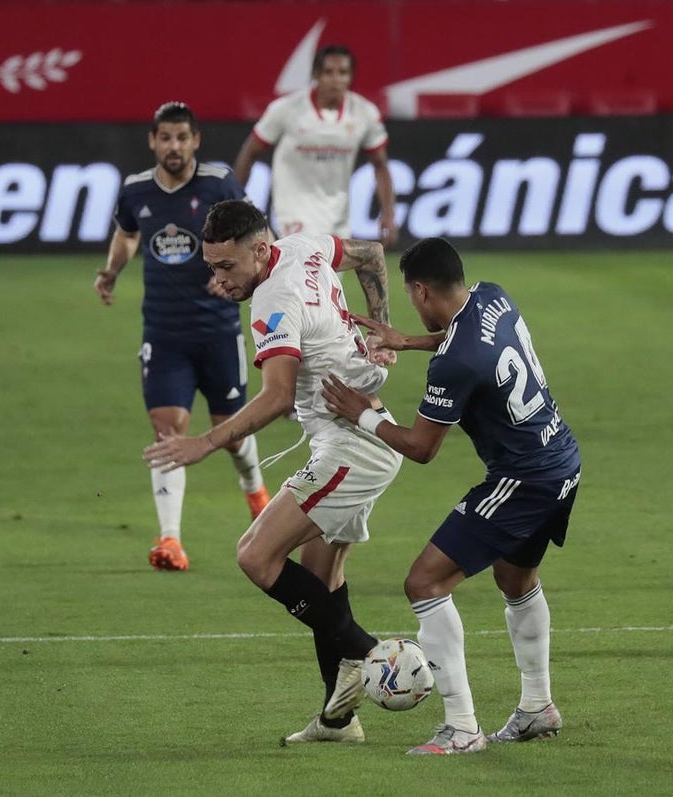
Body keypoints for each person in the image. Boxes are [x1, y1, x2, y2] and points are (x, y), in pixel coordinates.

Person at [143, 199, 402, 744]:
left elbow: (278, 396)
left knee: (255, 555)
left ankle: (374, 653)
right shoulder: (305, 246)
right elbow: (371, 255)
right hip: (361, 428)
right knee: (321, 576)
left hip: (350, 446)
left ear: (260, 250)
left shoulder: (273, 298)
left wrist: (207, 443)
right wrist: (382, 325)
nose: (218, 279)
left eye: (226, 267)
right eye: (211, 266)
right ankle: (339, 719)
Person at [322, 237, 582, 756]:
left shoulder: (454, 364)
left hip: (522, 479)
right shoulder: (494, 296)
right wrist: (406, 341)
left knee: (424, 582)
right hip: (562, 459)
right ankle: (537, 708)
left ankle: (461, 728)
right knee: (515, 577)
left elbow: (420, 448)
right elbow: (463, 341)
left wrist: (363, 414)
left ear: (419, 290)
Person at [95, 102, 270, 572]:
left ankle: (254, 490)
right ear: (153, 141)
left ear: (196, 141)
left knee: (232, 433)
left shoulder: (218, 183)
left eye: (182, 138)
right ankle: (170, 539)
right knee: (168, 428)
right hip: (164, 332)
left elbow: (258, 235)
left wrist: (239, 275)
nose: (174, 146)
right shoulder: (135, 190)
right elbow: (128, 233)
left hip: (218, 329)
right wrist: (112, 271)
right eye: (165, 138)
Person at [233, 45, 398, 248]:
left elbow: (380, 165)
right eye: (328, 72)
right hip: (292, 214)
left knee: (329, 279)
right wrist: (234, 202)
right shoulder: (286, 110)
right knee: (304, 273)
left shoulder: (364, 113)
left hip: (337, 217)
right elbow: (249, 153)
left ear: (351, 77)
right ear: (316, 74)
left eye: (343, 73)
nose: (336, 80)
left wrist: (388, 214)